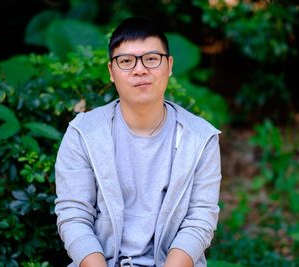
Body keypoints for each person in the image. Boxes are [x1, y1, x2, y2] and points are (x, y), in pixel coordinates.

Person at [54, 17, 222, 267]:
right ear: (111, 72)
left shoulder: (200, 138)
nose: (140, 69)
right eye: (126, 61)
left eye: (152, 59)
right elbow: (74, 215)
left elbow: (200, 218)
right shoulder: (84, 133)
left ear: (169, 65)